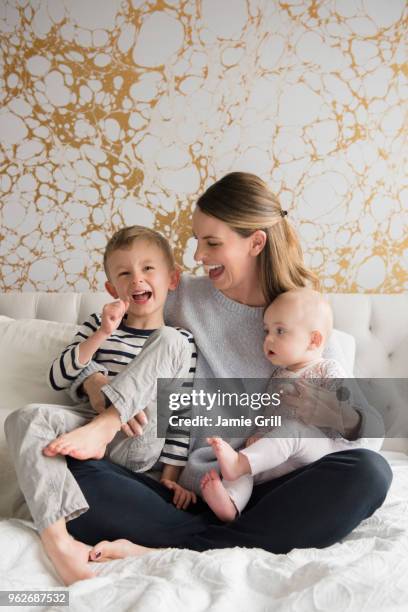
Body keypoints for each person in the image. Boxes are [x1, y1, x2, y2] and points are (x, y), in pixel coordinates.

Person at [54, 172, 391, 567]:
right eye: (197, 240)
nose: (198, 255)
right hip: (175, 493)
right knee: (69, 472)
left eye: (212, 243)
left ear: (256, 243)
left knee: (371, 473)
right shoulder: (181, 299)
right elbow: (89, 346)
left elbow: (364, 444)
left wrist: (343, 417)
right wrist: (94, 381)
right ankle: (212, 543)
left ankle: (168, 546)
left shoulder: (305, 321)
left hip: (266, 493)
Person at [4, 226, 198, 585]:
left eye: (147, 269)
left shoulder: (181, 341)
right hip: (84, 432)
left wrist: (170, 479)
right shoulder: (98, 326)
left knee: (171, 340)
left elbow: (181, 414)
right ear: (112, 289)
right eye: (124, 273)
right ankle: (60, 543)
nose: (136, 279)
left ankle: (106, 424)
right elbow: (59, 377)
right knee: (24, 418)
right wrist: (101, 335)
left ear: (172, 279)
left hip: (136, 440)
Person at [201, 287, 362, 521]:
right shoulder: (279, 375)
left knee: (291, 433)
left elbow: (347, 409)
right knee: (249, 462)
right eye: (266, 331)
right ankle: (230, 503)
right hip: (286, 459)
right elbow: (271, 413)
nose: (268, 339)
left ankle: (238, 466)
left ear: (314, 340)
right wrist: (261, 434)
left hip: (323, 450)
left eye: (280, 331)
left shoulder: (328, 369)